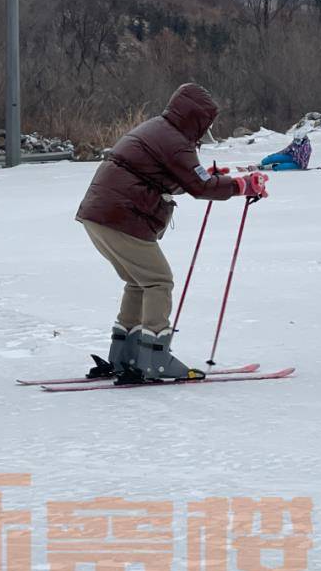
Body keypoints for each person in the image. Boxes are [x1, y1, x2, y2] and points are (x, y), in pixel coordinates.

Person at [76, 83, 269, 384]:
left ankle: (125, 355)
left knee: (138, 281)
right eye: (206, 124)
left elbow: (177, 178)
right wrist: (241, 186)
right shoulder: (176, 141)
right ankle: (154, 358)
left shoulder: (157, 129)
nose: (206, 131)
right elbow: (199, 187)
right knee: (158, 280)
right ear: (195, 118)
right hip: (120, 217)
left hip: (99, 215)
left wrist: (220, 180)